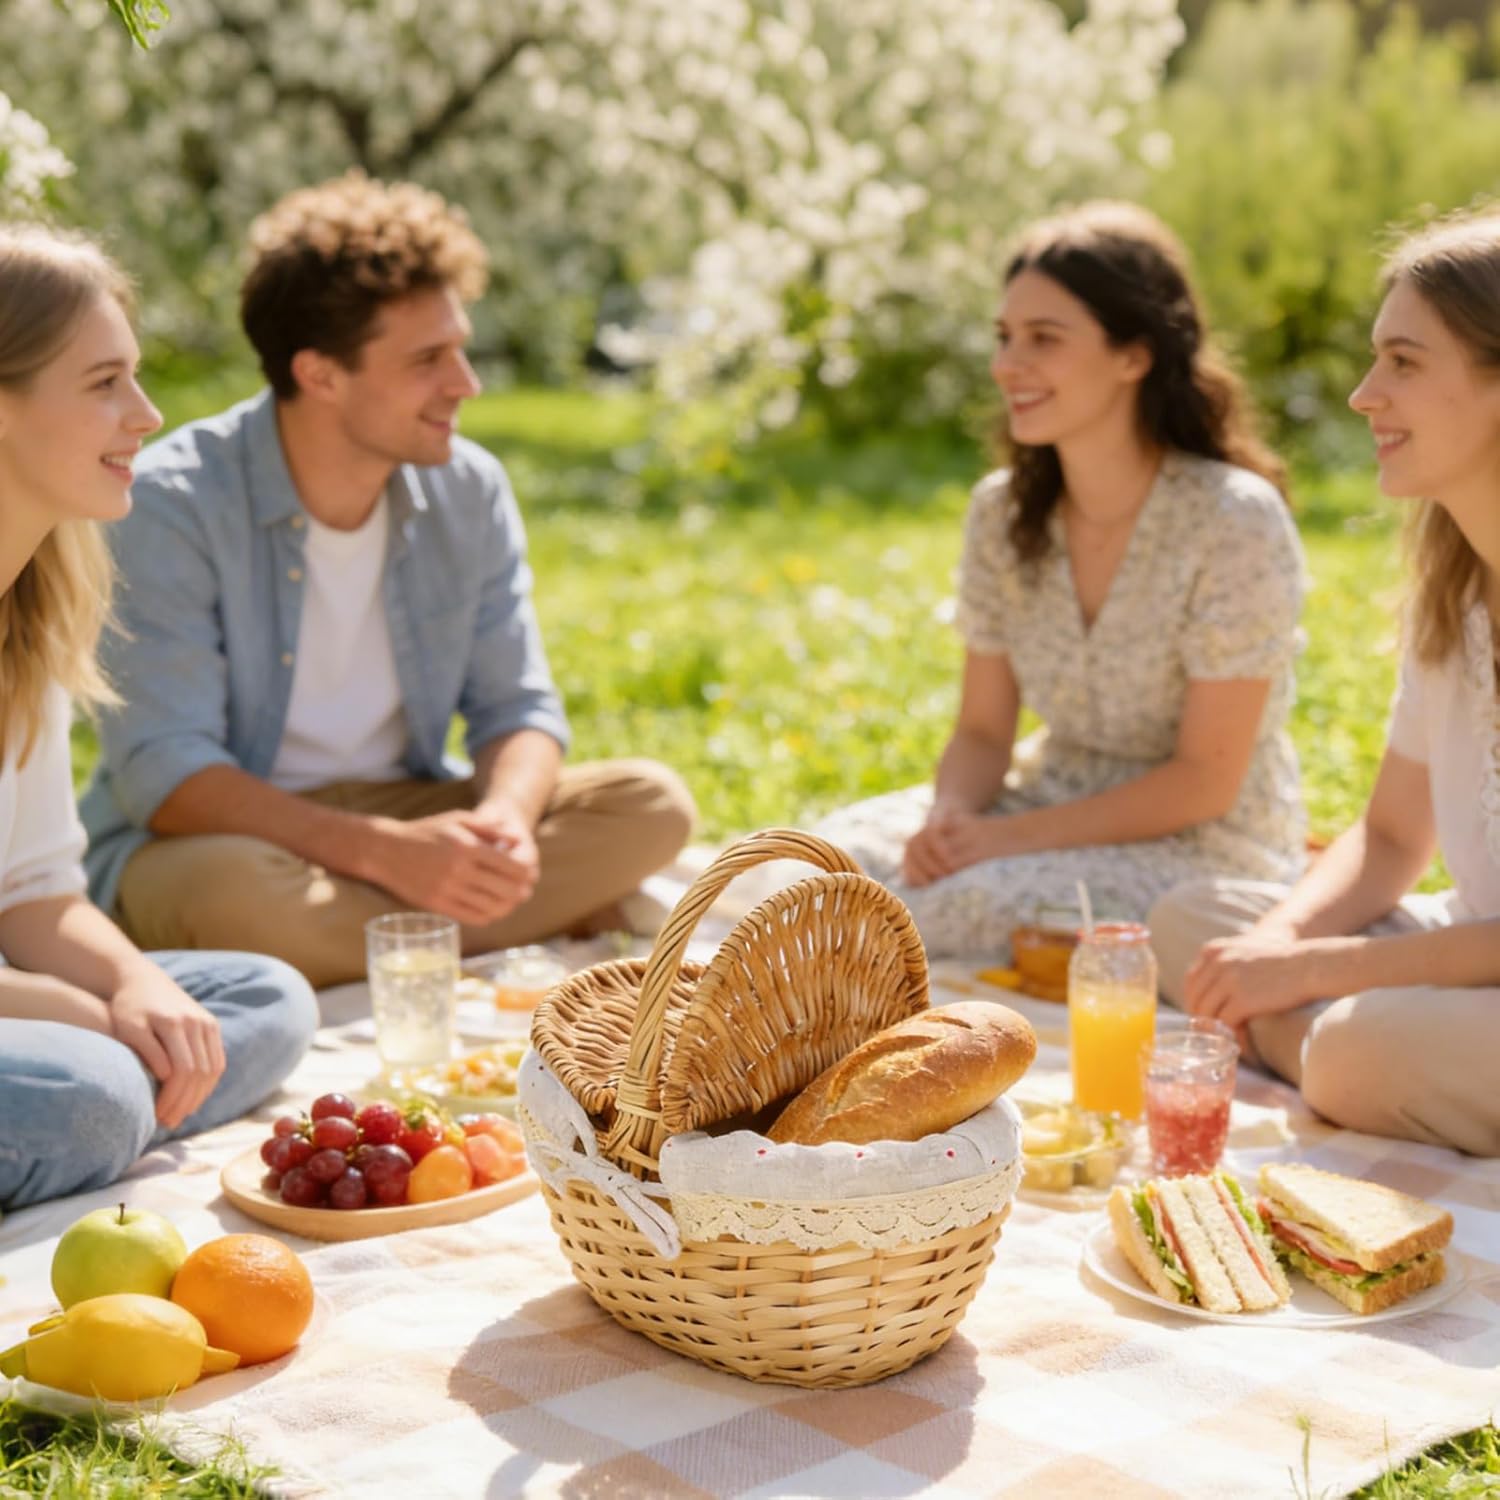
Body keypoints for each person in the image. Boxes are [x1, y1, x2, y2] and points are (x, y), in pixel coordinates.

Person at [79, 174, 695, 989]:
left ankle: (405, 930)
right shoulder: (168, 501)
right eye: (428, 359)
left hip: (404, 808)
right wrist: (386, 857)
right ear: (321, 374)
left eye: (460, 348)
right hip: (224, 841)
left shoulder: (468, 489)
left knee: (651, 806)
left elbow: (518, 710)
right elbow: (167, 775)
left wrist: (504, 825)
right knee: (230, 899)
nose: (466, 384)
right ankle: (501, 920)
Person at [817, 201, 1306, 957]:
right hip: (1038, 802)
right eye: (1005, 337)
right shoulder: (1002, 514)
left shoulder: (1234, 520)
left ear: (1133, 356)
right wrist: (950, 819)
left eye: (1045, 339)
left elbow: (1202, 782)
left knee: (938, 913)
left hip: (1202, 845)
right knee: (811, 875)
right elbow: (983, 731)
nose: (1009, 365)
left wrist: (999, 841)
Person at [1152, 208, 1500, 1156]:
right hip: (1464, 954)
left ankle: (1333, 1060)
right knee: (1194, 926)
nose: (1362, 394)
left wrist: (1313, 969)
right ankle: (1330, 1047)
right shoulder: (1459, 589)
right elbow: (1390, 836)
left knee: (1357, 1044)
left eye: (1403, 362)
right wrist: (1276, 946)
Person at [0, 225, 317, 1210]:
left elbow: (35, 893)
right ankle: (102, 1115)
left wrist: (131, 988)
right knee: (89, 1094)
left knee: (264, 1000)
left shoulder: (29, 615)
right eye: (104, 383)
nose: (145, 414)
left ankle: (110, 1102)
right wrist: (59, 1010)